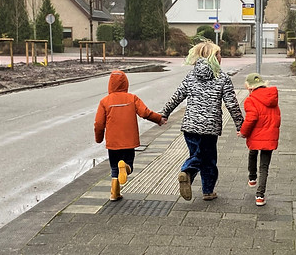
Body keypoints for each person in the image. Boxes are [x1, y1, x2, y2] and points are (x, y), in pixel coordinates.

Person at [161, 41, 244, 201]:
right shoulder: (222, 77)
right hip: (209, 128)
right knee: (208, 159)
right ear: (212, 57)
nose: (221, 57)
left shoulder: (191, 76)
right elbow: (232, 104)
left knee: (197, 155)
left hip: (190, 126)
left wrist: (165, 113)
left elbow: (177, 96)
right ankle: (201, 185)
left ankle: (190, 178)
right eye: (218, 54)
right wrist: (240, 125)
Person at [94, 69, 165, 201]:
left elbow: (98, 123)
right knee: (128, 164)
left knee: (114, 167)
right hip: (129, 141)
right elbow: (145, 112)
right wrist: (159, 119)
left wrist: (99, 139)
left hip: (113, 143)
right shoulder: (132, 98)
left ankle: (114, 194)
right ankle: (126, 168)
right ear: (125, 84)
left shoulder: (104, 101)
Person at [238, 73, 281, 206]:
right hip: (270, 135)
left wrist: (243, 132)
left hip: (256, 135)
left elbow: (251, 118)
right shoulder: (273, 98)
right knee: (264, 166)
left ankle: (252, 177)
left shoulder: (250, 100)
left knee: (252, 152)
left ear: (250, 88)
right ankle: (260, 196)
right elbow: (277, 117)